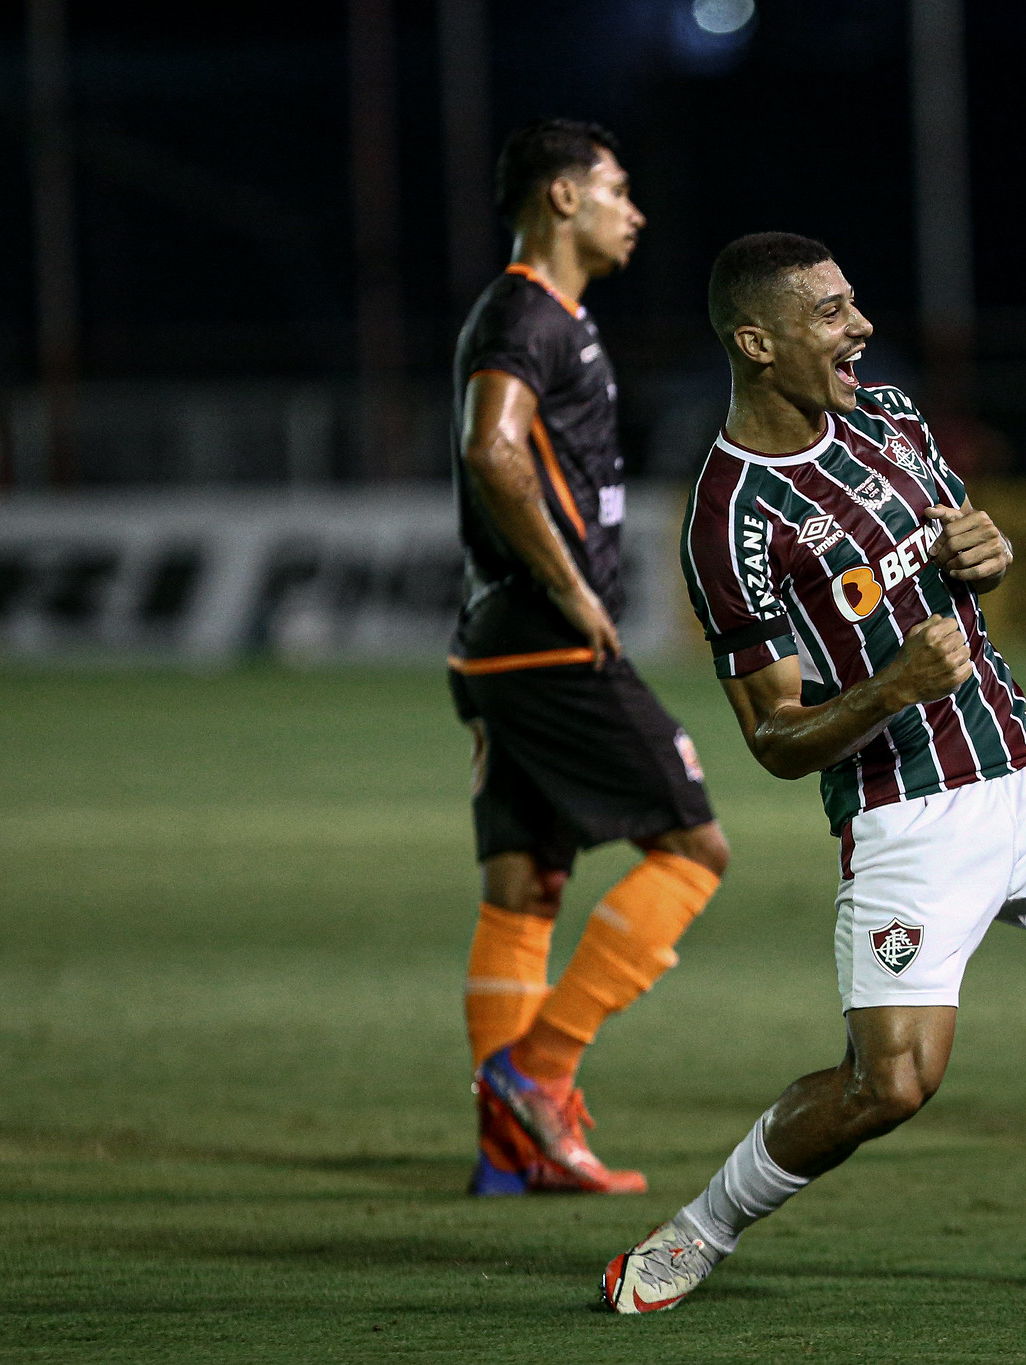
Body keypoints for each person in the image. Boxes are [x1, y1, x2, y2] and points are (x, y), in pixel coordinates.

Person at [598, 232, 1026, 1312]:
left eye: (852, 303)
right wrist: (889, 689)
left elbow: (969, 548)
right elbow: (774, 740)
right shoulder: (727, 519)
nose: (858, 326)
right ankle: (698, 1232)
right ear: (758, 342)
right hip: (905, 812)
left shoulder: (889, 417)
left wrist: (989, 552)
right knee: (893, 1085)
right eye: (829, 313)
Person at [447, 118, 730, 1197]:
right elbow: (491, 447)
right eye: (617, 188)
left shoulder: (555, 317)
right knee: (694, 850)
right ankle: (539, 1075)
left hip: (495, 646)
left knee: (524, 886)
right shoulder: (526, 312)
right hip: (546, 640)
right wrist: (571, 586)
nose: (635, 210)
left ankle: (509, 1157)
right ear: (563, 197)